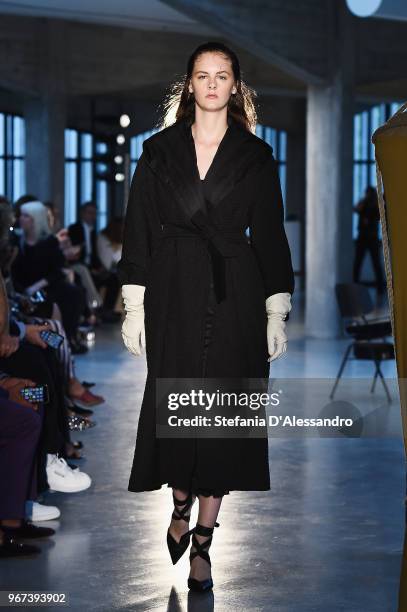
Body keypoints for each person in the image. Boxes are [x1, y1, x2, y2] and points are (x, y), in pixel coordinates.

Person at [118, 41, 295, 592]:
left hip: (235, 293)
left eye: (222, 75)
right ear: (189, 84)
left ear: (235, 86)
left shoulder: (255, 156)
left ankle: (203, 542)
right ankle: (178, 502)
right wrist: (134, 304)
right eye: (203, 74)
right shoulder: (158, 151)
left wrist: (276, 308)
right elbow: (139, 228)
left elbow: (269, 234)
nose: (213, 83)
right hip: (173, 289)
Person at [10, 201, 87, 349]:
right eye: (22, 215)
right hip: (21, 287)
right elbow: (13, 272)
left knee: (73, 293)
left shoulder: (49, 242)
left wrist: (37, 286)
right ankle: (56, 343)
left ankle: (67, 339)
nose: (21, 219)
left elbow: (57, 270)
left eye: (26, 216)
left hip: (45, 285)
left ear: (35, 219)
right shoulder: (16, 242)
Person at [353, 185, 385, 294]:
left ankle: (380, 288)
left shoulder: (376, 205)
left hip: (372, 238)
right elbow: (356, 208)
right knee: (358, 263)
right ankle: (355, 285)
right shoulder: (364, 203)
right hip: (363, 237)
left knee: (375, 264)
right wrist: (365, 201)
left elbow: (380, 216)